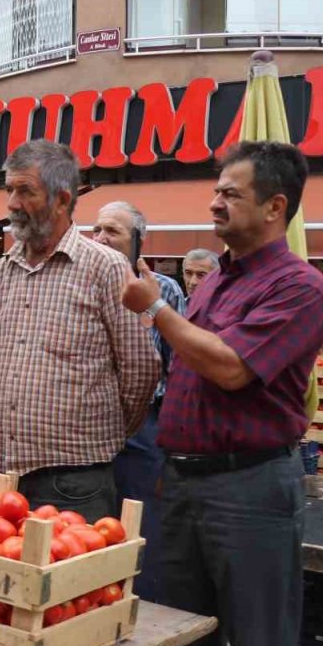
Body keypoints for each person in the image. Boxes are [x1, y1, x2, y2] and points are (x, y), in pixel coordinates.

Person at [123, 141, 323, 646]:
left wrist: (156, 307)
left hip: (250, 489)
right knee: (179, 645)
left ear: (275, 207)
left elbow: (232, 368)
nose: (215, 203)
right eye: (216, 191)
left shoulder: (302, 287)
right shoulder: (216, 277)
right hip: (181, 483)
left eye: (231, 194)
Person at [0, 141, 158, 521]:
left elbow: (141, 368)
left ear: (62, 199)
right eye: (9, 190)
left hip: (75, 482)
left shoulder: (106, 267)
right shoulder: (1, 272)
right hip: (4, 476)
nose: (12, 203)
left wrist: (102, 434)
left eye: (25, 191)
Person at [92, 200, 186, 603]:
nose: (100, 238)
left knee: (142, 520)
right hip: (91, 421)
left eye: (112, 231)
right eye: (96, 229)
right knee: (95, 522)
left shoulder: (164, 290)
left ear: (138, 242)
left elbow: (177, 366)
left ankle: (143, 605)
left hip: (145, 426)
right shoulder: (81, 282)